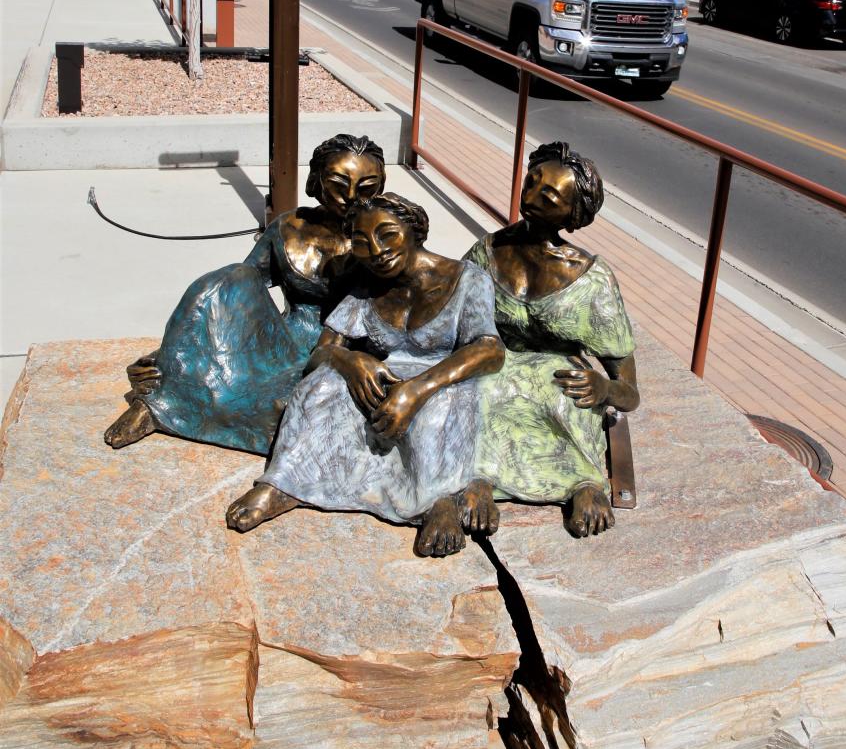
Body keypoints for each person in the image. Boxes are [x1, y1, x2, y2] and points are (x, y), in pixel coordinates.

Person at [225, 193, 504, 557]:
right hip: (386, 375)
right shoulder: (367, 286)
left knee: (437, 411)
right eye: (361, 242)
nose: (376, 250)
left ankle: (438, 502)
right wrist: (350, 362)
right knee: (320, 387)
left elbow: (488, 348)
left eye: (387, 234)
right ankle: (286, 482)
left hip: (444, 377)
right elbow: (324, 349)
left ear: (415, 231)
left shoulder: (466, 279)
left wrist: (417, 390)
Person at [103, 134, 386, 456]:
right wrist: (171, 352)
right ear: (317, 179)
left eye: (365, 187)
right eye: (338, 183)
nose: (349, 196)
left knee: (289, 409)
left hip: (344, 346)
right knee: (228, 277)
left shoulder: (388, 237)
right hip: (283, 336)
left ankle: (183, 407)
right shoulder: (288, 226)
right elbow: (237, 291)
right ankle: (157, 406)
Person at [462, 141, 638, 538]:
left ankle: (584, 485)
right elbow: (451, 313)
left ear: (573, 214)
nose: (531, 196)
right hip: (496, 364)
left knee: (565, 397)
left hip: (561, 379)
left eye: (550, 194)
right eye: (531, 181)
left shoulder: (593, 279)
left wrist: (605, 386)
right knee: (483, 391)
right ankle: (480, 480)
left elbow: (630, 392)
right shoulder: (487, 252)